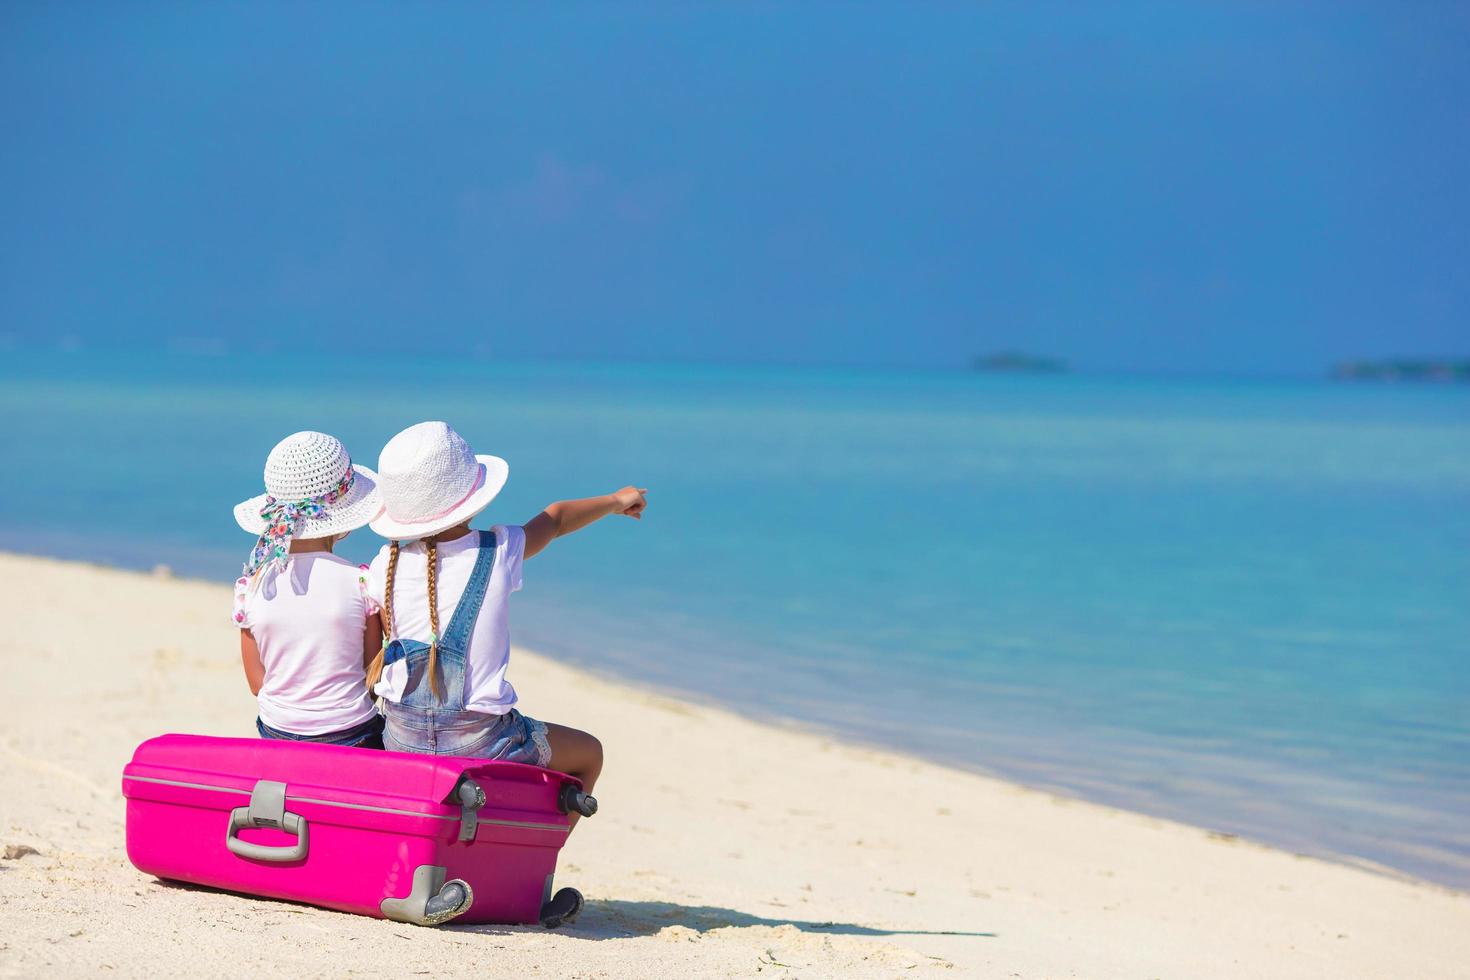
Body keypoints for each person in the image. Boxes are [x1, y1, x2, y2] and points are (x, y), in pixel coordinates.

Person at [364, 420, 645, 827]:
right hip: (482, 740)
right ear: (471, 494)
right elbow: (558, 518)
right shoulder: (497, 552)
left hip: (400, 737)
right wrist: (618, 500)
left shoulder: (383, 565)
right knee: (589, 753)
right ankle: (538, 859)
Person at [232, 431, 386, 748]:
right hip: (352, 732)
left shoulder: (251, 585)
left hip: (278, 731)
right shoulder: (360, 581)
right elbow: (372, 674)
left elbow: (256, 683)